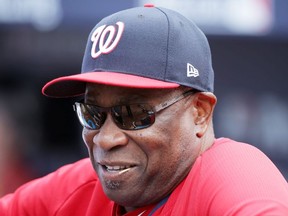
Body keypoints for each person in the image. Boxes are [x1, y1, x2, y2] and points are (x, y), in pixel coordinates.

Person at [1, 4, 288, 215]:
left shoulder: (232, 178)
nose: (105, 138)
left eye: (134, 114)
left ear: (199, 112)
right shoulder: (78, 188)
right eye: (93, 114)